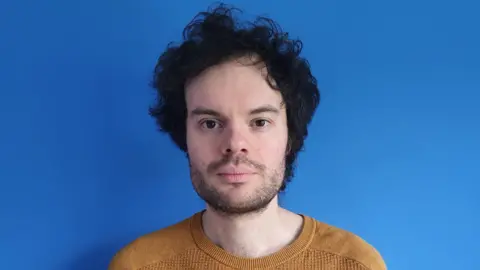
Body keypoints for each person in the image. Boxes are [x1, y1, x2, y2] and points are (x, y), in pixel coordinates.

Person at [108, 4, 386, 270]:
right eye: (210, 123)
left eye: (260, 122)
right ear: (185, 137)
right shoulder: (138, 265)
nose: (234, 144)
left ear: (290, 137)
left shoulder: (355, 263)